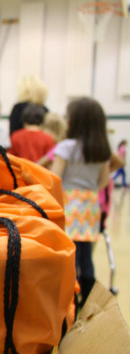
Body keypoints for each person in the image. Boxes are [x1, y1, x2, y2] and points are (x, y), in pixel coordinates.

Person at [51, 97, 111, 306]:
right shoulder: (101, 149)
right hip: (90, 205)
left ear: (75, 121)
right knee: (86, 256)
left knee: (69, 254)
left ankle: (69, 302)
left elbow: (54, 177)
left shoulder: (66, 147)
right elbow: (104, 180)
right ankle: (87, 299)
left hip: (68, 204)